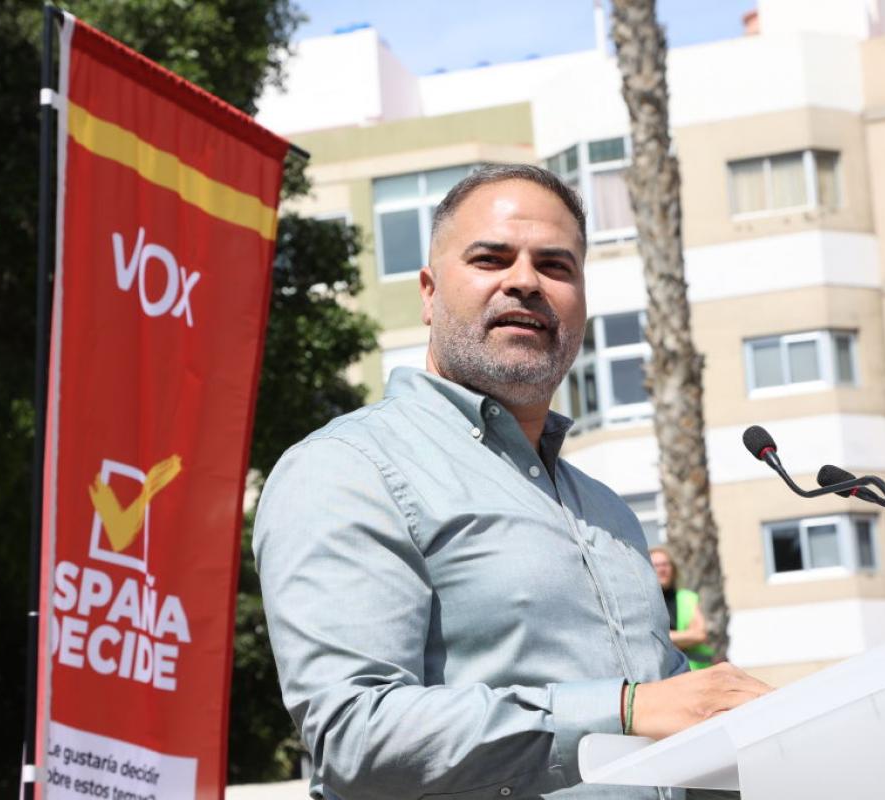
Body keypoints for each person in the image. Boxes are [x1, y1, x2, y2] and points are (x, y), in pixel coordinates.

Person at [254, 164, 769, 800]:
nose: (524, 281)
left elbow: (674, 728)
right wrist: (623, 710)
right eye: (491, 258)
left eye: (556, 266)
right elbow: (356, 735)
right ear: (428, 291)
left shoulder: (607, 513)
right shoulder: (347, 468)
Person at [649, 546, 714, 670]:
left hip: (695, 671)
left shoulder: (687, 598)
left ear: (673, 568)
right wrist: (684, 638)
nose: (662, 569)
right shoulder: (643, 603)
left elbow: (700, 634)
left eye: (665, 564)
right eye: (656, 565)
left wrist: (665, 638)